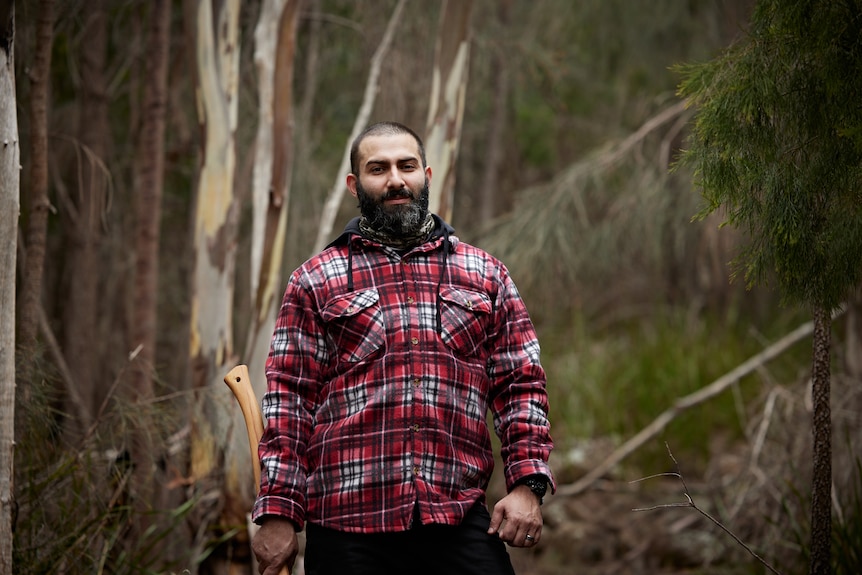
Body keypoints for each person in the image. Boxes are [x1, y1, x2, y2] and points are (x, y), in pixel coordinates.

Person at [251, 121, 555, 575]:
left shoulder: (484, 273)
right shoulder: (316, 279)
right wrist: (278, 512)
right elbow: (289, 402)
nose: (395, 179)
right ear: (355, 185)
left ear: (426, 175)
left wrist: (527, 485)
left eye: (406, 166)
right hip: (346, 528)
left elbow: (521, 385)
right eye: (378, 168)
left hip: (456, 517)